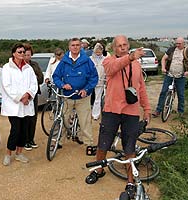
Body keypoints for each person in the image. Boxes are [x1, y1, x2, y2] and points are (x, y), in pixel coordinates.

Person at [85, 35, 151, 199]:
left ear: (128, 45)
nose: (123, 47)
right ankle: (98, 169)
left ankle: (130, 182)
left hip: (131, 112)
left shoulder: (136, 64)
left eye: (125, 45)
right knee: (103, 144)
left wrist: (147, 108)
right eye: (119, 45)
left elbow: (141, 88)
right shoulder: (109, 61)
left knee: (129, 147)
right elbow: (112, 69)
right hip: (112, 110)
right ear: (114, 48)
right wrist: (129, 58)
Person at [52, 37, 98, 146]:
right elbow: (56, 76)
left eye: (77, 45)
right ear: (69, 47)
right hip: (68, 97)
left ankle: (89, 144)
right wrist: (62, 85)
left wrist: (86, 89)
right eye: (73, 45)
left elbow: (94, 77)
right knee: (64, 120)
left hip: (83, 97)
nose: (75, 47)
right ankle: (59, 141)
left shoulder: (87, 60)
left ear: (80, 46)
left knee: (85, 122)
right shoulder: (64, 61)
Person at [1, 43, 38, 166]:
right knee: (15, 130)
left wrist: (28, 95)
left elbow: (34, 84)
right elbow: (7, 85)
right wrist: (20, 97)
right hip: (14, 105)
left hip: (27, 104)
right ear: (13, 53)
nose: (22, 54)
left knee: (24, 131)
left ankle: (19, 153)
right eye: (19, 52)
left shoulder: (29, 68)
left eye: (23, 52)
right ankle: (8, 154)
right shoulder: (7, 67)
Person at [152, 37, 188, 117]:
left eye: (179, 43)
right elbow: (163, 59)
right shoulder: (171, 49)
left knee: (181, 94)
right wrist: (163, 68)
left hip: (181, 76)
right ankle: (158, 110)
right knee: (163, 92)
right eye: (176, 43)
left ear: (184, 43)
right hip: (169, 74)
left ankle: (181, 112)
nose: (177, 45)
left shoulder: (187, 51)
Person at [23, 43, 44, 151]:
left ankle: (31, 139)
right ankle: (25, 140)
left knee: (33, 117)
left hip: (34, 94)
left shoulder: (34, 65)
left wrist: (34, 78)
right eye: (25, 55)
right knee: (24, 118)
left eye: (29, 55)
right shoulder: (20, 66)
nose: (27, 57)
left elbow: (40, 78)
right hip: (23, 95)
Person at [90, 43, 107, 120]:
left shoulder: (105, 59)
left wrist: (106, 78)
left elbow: (107, 70)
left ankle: (95, 115)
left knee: (97, 98)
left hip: (100, 81)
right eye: (96, 51)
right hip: (90, 81)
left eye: (99, 51)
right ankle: (86, 113)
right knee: (87, 98)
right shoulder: (90, 59)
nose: (98, 52)